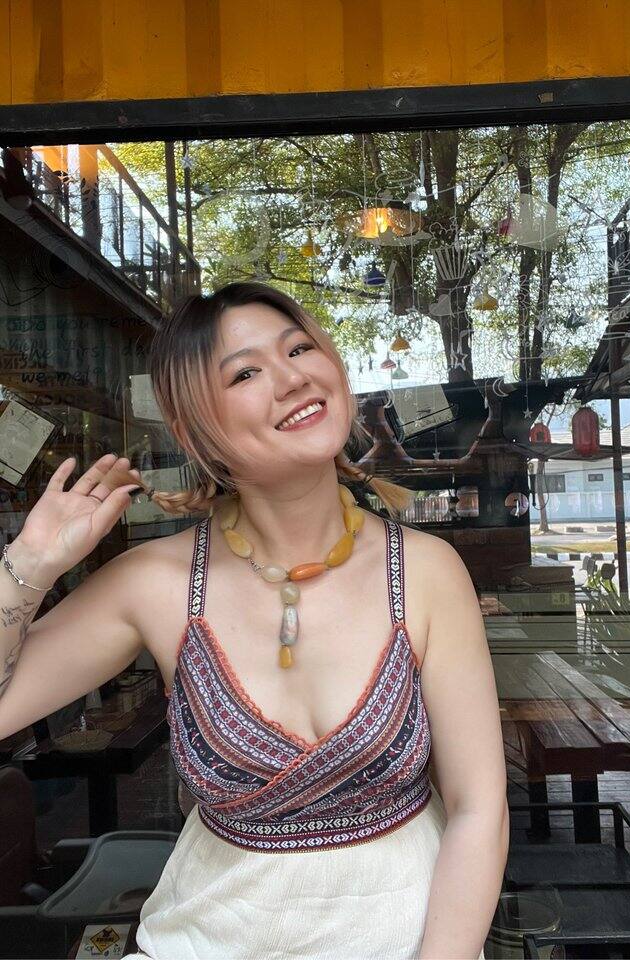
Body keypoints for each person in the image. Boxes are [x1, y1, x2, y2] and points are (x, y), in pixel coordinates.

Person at [0, 282, 508, 959]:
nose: (293, 378)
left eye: (299, 349)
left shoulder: (425, 572)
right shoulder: (155, 584)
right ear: (194, 431)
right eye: (245, 373)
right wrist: (29, 565)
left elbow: (479, 809)